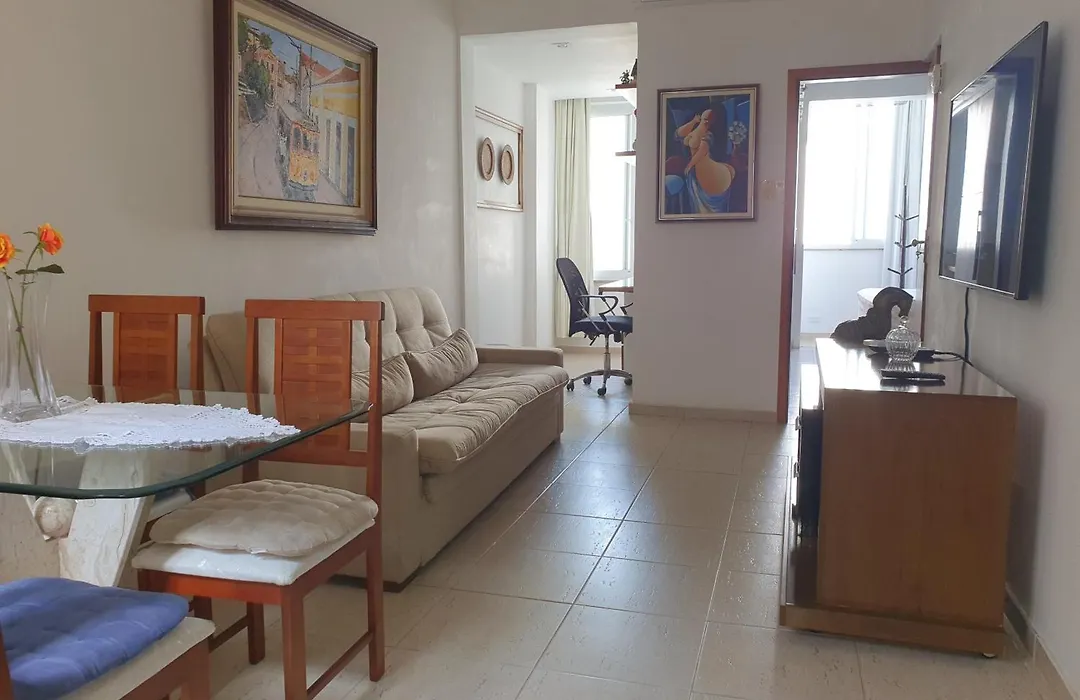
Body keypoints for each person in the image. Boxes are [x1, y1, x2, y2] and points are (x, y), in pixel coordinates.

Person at [675, 109, 736, 213]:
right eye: (704, 117)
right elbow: (678, 135)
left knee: (707, 206)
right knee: (697, 205)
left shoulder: (708, 135)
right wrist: (693, 121)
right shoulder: (694, 130)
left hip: (705, 167)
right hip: (695, 169)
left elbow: (702, 151)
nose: (705, 120)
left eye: (708, 118)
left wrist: (689, 165)